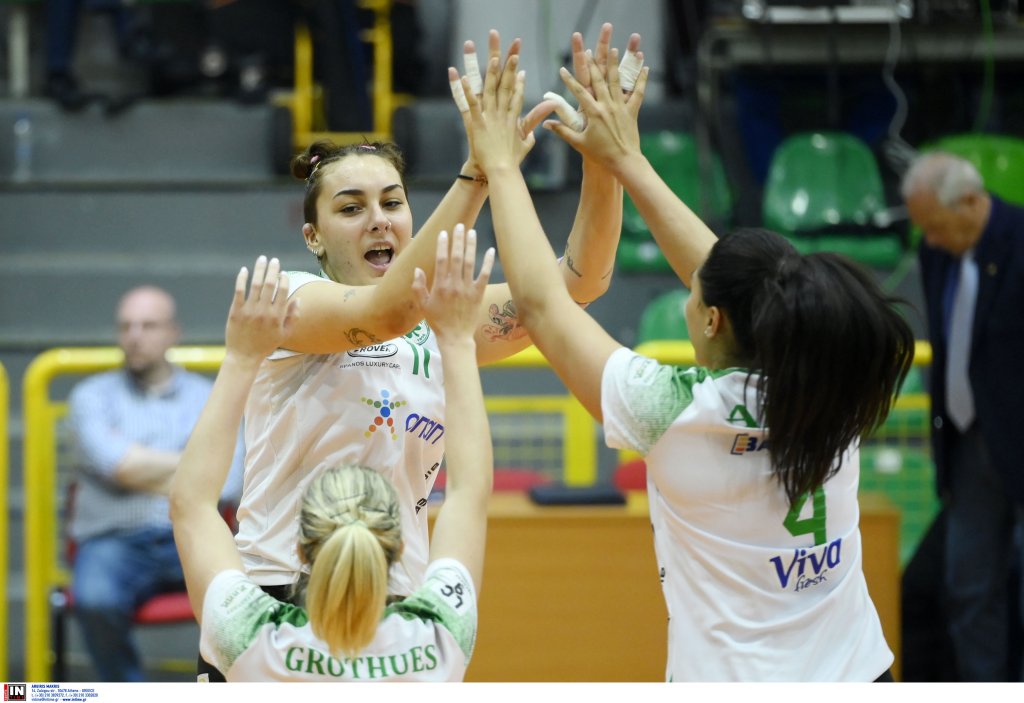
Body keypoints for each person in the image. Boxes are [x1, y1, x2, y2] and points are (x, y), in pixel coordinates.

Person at [455, 41, 914, 681]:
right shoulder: (832, 376)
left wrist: (501, 165)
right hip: (860, 675)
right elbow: (738, 281)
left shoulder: (676, 409)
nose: (689, 287)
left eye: (693, 292)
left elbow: (541, 305)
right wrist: (624, 160)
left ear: (712, 319)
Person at [171, 236, 494, 681]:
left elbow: (190, 505)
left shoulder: (251, 640)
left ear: (301, 550)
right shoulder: (437, 640)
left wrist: (241, 357)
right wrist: (456, 341)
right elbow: (470, 494)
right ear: (400, 548)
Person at [65, 285, 244, 681]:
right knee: (95, 600)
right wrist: (196, 467)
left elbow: (229, 481)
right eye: (126, 326)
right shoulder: (91, 398)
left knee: (246, 600)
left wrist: (139, 465)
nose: (134, 336)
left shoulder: (208, 397)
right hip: (114, 540)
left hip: (193, 535)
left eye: (148, 326)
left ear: (173, 332)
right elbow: (120, 466)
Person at [901, 151, 1024, 682]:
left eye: (935, 225)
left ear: (971, 202)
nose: (929, 240)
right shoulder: (938, 255)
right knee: (968, 585)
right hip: (969, 441)